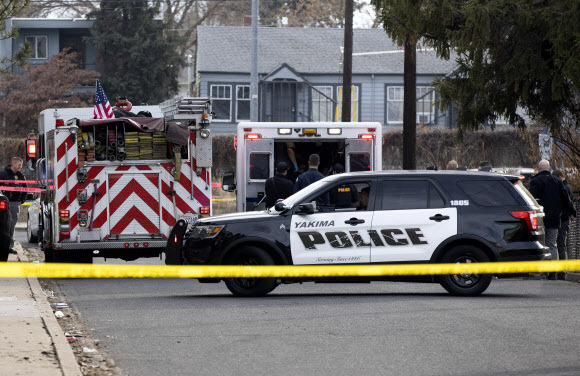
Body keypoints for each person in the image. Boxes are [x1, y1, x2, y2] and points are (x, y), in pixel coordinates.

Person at [529, 160, 576, 279]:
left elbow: (532, 201)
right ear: (549, 168)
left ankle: (540, 271)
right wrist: (572, 211)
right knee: (552, 244)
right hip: (555, 218)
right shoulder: (557, 182)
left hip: (540, 218)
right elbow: (566, 199)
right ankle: (553, 272)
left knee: (540, 244)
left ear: (539, 168)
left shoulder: (535, 181)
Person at [552, 169, 577, 280]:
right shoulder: (567, 187)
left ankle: (562, 270)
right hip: (565, 218)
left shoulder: (564, 188)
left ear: (558, 176)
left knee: (561, 244)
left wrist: (570, 213)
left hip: (563, 219)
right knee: (562, 243)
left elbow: (566, 203)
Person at [0, 157, 27, 254]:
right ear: (14, 164)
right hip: (3, 204)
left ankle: (9, 246)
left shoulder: (21, 176)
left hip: (15, 203)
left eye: (21, 165)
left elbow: (25, 189)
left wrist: (21, 201)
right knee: (3, 225)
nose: (20, 167)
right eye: (19, 165)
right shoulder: (3, 174)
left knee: (11, 225)